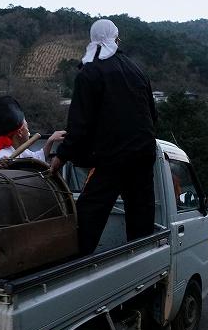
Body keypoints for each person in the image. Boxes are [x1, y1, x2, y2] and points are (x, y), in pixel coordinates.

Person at [50, 19, 157, 256]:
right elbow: (152, 115)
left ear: (92, 39)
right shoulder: (137, 71)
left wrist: (61, 156)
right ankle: (142, 265)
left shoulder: (90, 73)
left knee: (90, 213)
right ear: (117, 39)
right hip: (143, 154)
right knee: (141, 215)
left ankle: (73, 267)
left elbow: (79, 125)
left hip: (112, 157)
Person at [0, 95, 65, 162]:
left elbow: (38, 158)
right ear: (20, 132)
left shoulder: (21, 151)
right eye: (26, 126)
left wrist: (50, 141)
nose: (28, 130)